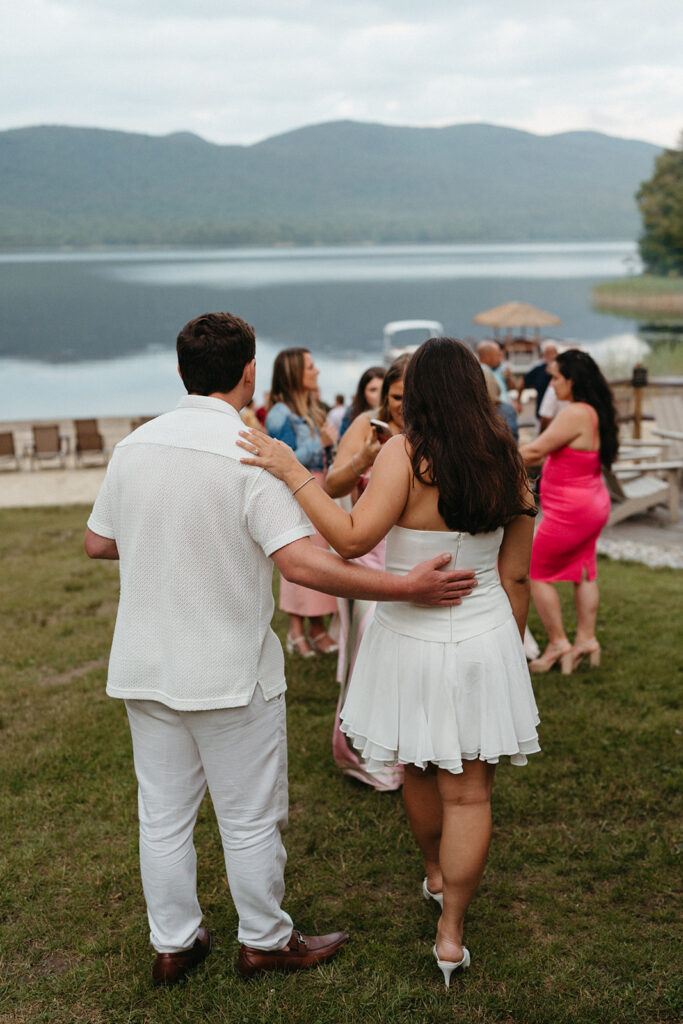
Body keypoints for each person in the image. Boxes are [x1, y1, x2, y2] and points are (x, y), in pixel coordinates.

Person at [84, 313, 477, 987]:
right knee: (248, 817)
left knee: (163, 817)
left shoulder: (136, 446)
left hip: (143, 667)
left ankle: (174, 942)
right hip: (229, 671)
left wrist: (161, 539)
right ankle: (264, 939)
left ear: (180, 373)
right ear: (247, 374)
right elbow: (301, 564)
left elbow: (98, 541)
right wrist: (403, 586)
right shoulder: (251, 451)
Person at [239, 337, 540, 987]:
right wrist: (509, 650)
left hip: (408, 635)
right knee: (472, 791)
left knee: (419, 767)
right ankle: (451, 932)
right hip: (485, 633)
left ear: (422, 394)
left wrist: (294, 473)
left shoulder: (406, 453)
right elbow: (516, 578)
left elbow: (350, 539)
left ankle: (433, 872)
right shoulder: (506, 459)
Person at [324, 356, 409, 791]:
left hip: (414, 560)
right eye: (396, 398)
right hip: (368, 560)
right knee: (367, 656)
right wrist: (364, 457)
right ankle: (363, 753)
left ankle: (408, 751)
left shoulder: (430, 430)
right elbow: (332, 486)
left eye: (410, 398)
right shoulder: (366, 426)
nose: (402, 407)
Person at [519, 349, 618, 674]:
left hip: (571, 510)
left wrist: (485, 456)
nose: (553, 383)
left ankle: (558, 642)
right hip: (592, 503)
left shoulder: (575, 411)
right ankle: (586, 640)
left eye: (557, 377)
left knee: (534, 570)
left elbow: (534, 450)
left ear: (572, 380)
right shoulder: (594, 410)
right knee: (585, 570)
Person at [266, 348, 339, 658]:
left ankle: (310, 628)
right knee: (303, 558)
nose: (317, 371)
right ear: (295, 372)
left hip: (315, 488)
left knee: (317, 558)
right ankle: (304, 630)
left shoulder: (309, 410)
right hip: (299, 491)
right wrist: (320, 443)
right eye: (311, 366)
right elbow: (284, 458)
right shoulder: (280, 414)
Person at [338, 365, 386, 437]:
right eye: (373, 390)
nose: (379, 395)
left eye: (383, 389)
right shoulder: (351, 414)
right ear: (363, 393)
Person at [523, 341, 559, 426]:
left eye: (553, 352)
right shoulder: (539, 370)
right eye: (548, 353)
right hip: (542, 411)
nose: (552, 355)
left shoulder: (563, 370)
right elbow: (524, 381)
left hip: (557, 413)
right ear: (544, 355)